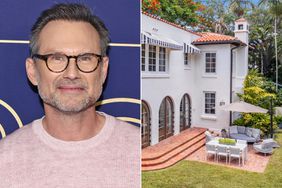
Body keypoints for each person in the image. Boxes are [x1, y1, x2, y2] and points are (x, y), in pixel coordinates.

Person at [0, 3, 140, 187]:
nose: (72, 73)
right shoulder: (5, 160)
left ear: (103, 70)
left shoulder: (139, 151)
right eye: (56, 58)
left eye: (85, 58)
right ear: (32, 71)